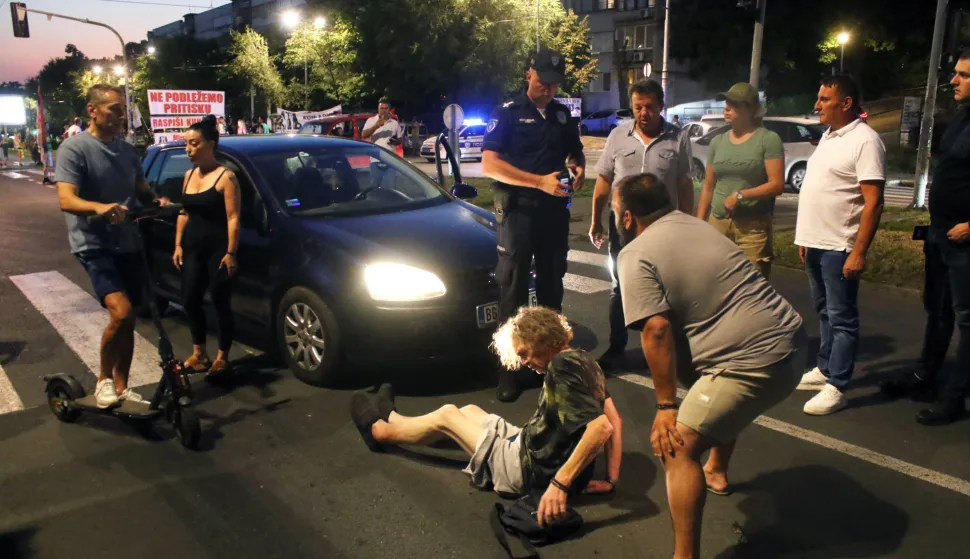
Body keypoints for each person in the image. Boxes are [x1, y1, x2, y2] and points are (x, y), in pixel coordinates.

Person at [614, 173, 804, 559]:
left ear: (628, 217)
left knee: (676, 448)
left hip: (754, 361)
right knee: (705, 387)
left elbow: (656, 330)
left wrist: (666, 407)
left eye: (618, 212)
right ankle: (716, 470)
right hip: (794, 341)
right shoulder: (694, 225)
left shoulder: (635, 252)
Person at [350, 306, 622, 523]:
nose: (524, 363)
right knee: (470, 411)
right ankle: (395, 418)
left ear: (542, 338)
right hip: (529, 445)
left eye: (525, 354)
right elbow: (615, 419)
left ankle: (379, 431)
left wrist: (560, 485)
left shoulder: (561, 367)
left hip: (526, 470)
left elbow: (602, 427)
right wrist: (610, 479)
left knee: (448, 416)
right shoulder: (586, 361)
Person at [55, 84, 171, 409]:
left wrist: (156, 199)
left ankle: (122, 388)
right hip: (93, 244)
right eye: (114, 109)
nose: (121, 115)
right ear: (93, 110)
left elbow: (141, 188)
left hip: (127, 241)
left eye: (123, 109)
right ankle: (104, 380)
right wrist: (99, 207)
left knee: (130, 318)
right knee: (120, 312)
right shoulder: (74, 149)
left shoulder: (127, 150)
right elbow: (66, 198)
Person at [481, 48, 586, 402]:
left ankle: (550, 366)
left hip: (554, 215)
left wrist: (579, 166)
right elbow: (490, 165)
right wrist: (537, 181)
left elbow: (575, 151)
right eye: (543, 82)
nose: (549, 90)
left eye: (555, 84)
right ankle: (508, 370)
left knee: (552, 292)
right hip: (519, 215)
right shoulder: (507, 114)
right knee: (511, 291)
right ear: (529, 75)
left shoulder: (560, 115)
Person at [882, 52, 970, 425]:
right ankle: (924, 377)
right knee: (937, 310)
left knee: (967, 320)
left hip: (964, 240)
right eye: (955, 74)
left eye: (963, 75)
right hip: (939, 233)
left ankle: (954, 398)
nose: (954, 81)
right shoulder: (961, 117)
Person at [794, 75, 886, 416]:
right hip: (816, 243)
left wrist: (858, 251)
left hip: (840, 246)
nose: (817, 105)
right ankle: (824, 367)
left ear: (846, 103)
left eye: (824, 99)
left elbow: (873, 202)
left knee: (843, 317)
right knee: (824, 312)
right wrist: (805, 238)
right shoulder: (830, 137)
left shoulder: (865, 141)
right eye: (818, 98)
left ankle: (838, 385)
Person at [590, 78, 694, 371]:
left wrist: (690, 224)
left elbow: (685, 185)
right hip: (624, 228)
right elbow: (603, 181)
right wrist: (596, 219)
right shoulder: (617, 137)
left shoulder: (678, 138)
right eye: (638, 107)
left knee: (666, 287)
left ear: (662, 106)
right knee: (619, 287)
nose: (643, 112)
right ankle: (617, 346)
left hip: (665, 228)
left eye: (649, 106)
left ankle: (667, 345)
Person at [172, 115, 241, 376]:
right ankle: (199, 353)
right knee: (190, 300)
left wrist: (231, 252)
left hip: (219, 251)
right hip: (193, 249)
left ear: (210, 144)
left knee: (220, 301)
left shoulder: (226, 177)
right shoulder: (188, 175)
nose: (188, 149)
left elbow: (234, 217)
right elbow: (185, 212)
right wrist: (178, 244)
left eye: (194, 143)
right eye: (186, 144)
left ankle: (223, 356)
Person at [696, 82, 785, 278]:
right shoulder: (717, 142)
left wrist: (741, 195)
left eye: (734, 104)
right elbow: (709, 186)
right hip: (717, 224)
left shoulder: (768, 139)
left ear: (751, 109)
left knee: (752, 289)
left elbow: (777, 184)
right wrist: (700, 223)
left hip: (752, 229)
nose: (727, 108)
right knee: (715, 284)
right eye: (726, 103)